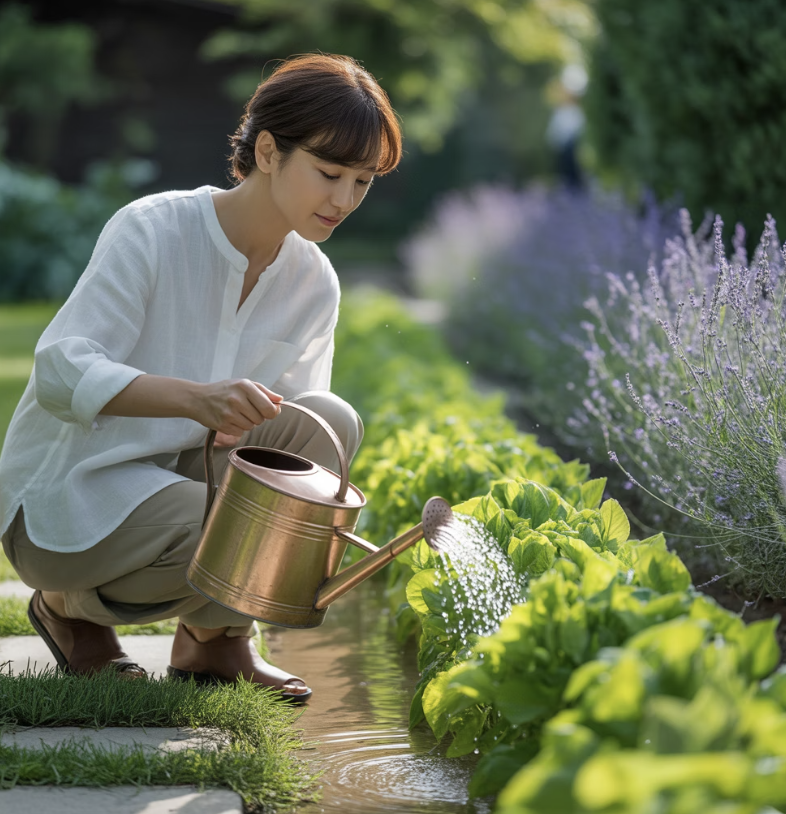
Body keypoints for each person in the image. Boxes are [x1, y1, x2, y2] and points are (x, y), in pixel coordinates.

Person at [0, 54, 402, 702]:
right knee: (231, 530)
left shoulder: (311, 280)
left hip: (184, 484)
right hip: (69, 498)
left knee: (327, 425)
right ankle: (68, 606)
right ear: (268, 150)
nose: (344, 200)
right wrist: (198, 401)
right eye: (329, 173)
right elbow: (59, 368)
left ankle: (213, 644)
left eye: (362, 181)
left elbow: (297, 441)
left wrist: (239, 431)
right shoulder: (154, 230)